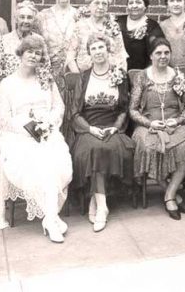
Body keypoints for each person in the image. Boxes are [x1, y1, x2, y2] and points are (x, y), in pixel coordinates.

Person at [0, 35, 72, 243]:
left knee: (55, 163)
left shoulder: (46, 80)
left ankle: (50, 219)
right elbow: (3, 119)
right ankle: (52, 221)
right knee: (39, 165)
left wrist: (48, 124)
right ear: (21, 52)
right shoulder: (8, 84)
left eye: (38, 53)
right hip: (17, 137)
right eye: (30, 51)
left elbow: (58, 107)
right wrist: (28, 129)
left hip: (46, 133)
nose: (33, 56)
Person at [69, 34, 135, 232]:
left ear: (108, 50)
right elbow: (75, 112)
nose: (98, 52)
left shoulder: (120, 75)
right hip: (89, 128)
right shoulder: (84, 77)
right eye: (94, 49)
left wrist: (115, 127)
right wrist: (89, 129)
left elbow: (124, 108)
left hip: (113, 126)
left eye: (101, 48)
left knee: (110, 147)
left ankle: (96, 201)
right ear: (89, 54)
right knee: (95, 149)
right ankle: (103, 207)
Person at [130, 38, 185, 220]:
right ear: (151, 55)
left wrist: (177, 121)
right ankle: (173, 193)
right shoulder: (142, 77)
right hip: (149, 125)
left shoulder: (178, 76)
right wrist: (149, 123)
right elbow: (133, 109)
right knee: (148, 147)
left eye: (166, 53)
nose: (163, 56)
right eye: (158, 53)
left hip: (174, 124)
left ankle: (169, 195)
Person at [0, 0, 51, 186]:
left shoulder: (39, 41)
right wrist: (13, 85)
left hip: (33, 96)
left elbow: (45, 67)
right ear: (15, 19)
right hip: (9, 96)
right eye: (22, 17)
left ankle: (34, 181)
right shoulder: (4, 41)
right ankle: (3, 181)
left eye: (29, 17)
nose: (25, 20)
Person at [67, 0, 128, 72]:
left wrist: (120, 76)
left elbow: (121, 54)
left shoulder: (113, 27)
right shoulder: (79, 26)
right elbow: (70, 56)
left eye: (104, 4)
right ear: (89, 6)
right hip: (85, 76)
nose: (100, 7)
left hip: (110, 76)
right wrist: (79, 78)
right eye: (97, 3)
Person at [34, 0, 78, 78]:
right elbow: (36, 45)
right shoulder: (42, 16)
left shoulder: (79, 15)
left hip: (74, 71)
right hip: (48, 71)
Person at [116, 0, 165, 70]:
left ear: (145, 6)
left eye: (138, 2)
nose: (134, 6)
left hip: (143, 72)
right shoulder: (118, 22)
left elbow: (157, 50)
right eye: (131, 3)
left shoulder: (152, 26)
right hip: (118, 72)